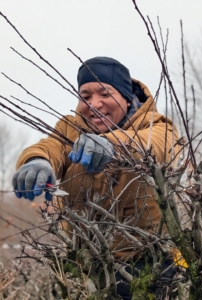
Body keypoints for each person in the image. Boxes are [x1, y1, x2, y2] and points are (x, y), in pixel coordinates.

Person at [13, 57, 180, 299]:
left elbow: (156, 145)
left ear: (125, 95)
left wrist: (110, 144)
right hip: (86, 263)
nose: (94, 104)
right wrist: (37, 160)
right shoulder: (70, 127)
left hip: (147, 265)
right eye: (85, 96)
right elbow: (52, 146)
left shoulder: (158, 126)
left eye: (105, 93)